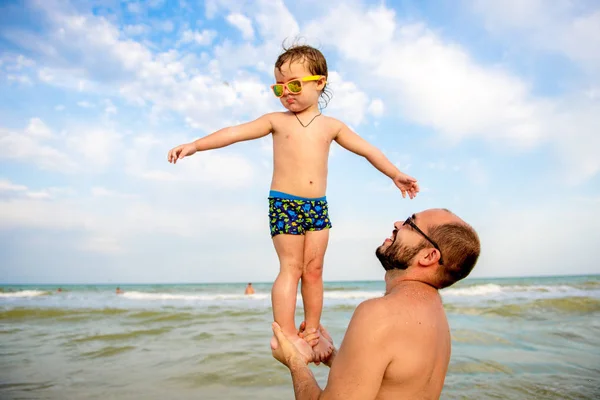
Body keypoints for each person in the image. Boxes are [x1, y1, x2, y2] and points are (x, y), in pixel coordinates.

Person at [167, 44, 419, 362]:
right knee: (290, 268)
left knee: (313, 270)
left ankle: (311, 330)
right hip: (284, 203)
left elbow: (368, 150)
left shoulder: (332, 127)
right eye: (279, 87)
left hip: (317, 206)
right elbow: (234, 132)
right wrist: (195, 145)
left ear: (320, 82)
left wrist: (395, 174)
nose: (287, 93)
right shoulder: (276, 121)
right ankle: (286, 332)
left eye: (295, 85)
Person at [271, 208, 480, 399]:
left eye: (410, 223)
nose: (398, 223)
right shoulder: (437, 319)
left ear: (428, 256)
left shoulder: (380, 314)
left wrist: (294, 360)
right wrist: (336, 357)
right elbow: (395, 383)